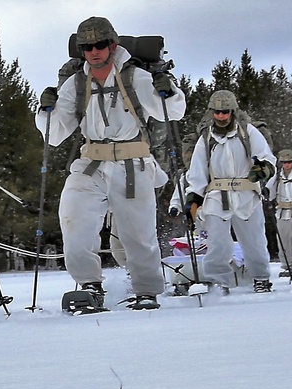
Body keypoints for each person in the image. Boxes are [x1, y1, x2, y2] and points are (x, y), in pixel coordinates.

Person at [37, 17, 185, 311]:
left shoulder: (135, 77)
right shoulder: (76, 82)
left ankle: (146, 290)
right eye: (87, 46)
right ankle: (90, 286)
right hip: (90, 162)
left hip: (133, 162)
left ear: (112, 45)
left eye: (100, 44)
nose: (94, 51)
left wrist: (168, 89)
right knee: (73, 219)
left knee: (137, 233)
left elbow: (173, 111)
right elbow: (55, 133)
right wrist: (45, 109)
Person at [184, 90, 276, 293]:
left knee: (254, 241)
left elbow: (267, 158)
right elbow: (197, 171)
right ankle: (219, 281)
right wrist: (193, 201)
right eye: (217, 112)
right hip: (217, 196)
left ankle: (261, 277)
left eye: (225, 112)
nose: (221, 116)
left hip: (246, 194)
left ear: (232, 111)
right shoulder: (206, 137)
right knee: (217, 242)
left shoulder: (248, 131)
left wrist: (262, 170)